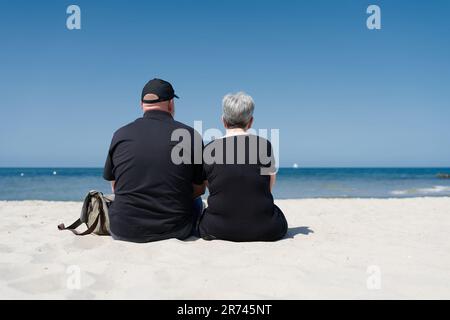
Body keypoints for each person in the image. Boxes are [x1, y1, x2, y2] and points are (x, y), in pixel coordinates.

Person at [103, 78, 205, 242]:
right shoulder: (190, 135)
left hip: (123, 230)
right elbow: (199, 189)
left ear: (141, 104)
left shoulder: (120, 134)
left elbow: (115, 187)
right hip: (175, 229)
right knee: (198, 203)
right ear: (171, 103)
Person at [198, 92, 288, 241]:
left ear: (223, 120)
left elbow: (210, 187)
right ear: (250, 121)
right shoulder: (264, 145)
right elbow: (268, 186)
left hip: (216, 228)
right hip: (267, 228)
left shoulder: (209, 149)